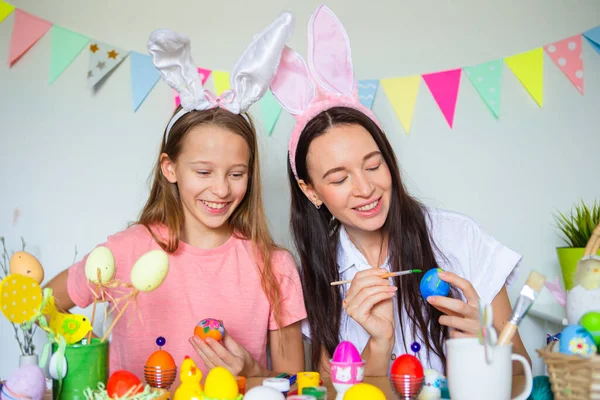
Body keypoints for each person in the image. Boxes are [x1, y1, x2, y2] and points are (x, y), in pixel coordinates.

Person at [270, 5, 530, 376]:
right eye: (339, 179)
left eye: (374, 165)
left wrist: (484, 347)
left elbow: (523, 376)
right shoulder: (312, 275)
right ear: (310, 191)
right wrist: (378, 344)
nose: (365, 188)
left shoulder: (458, 238)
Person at [44, 12, 306, 379]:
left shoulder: (274, 267)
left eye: (236, 174)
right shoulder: (125, 252)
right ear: (170, 169)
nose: (221, 189)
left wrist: (252, 372)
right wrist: (88, 345)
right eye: (203, 172)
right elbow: (44, 304)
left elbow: (295, 385)